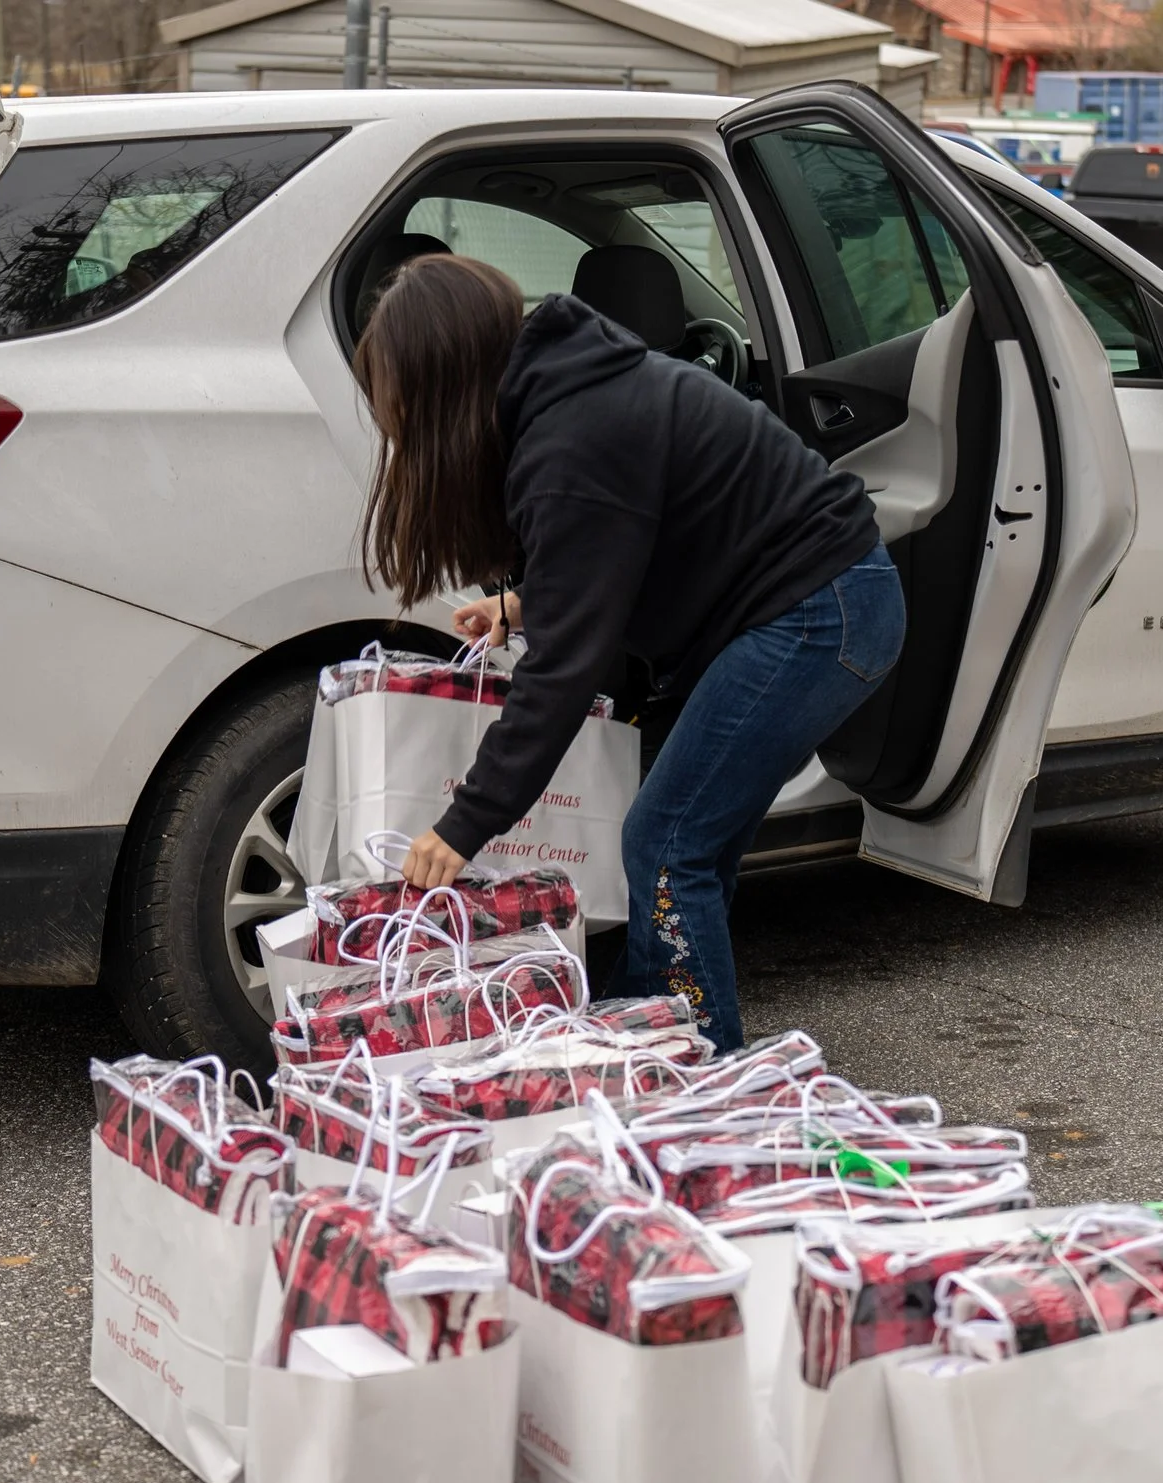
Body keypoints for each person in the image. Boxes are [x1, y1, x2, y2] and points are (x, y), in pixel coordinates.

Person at [352, 254, 903, 1048]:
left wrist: (463, 825)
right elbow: (614, 547)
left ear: (444, 380)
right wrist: (526, 601)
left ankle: (703, 1063)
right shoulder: (562, 399)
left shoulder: (571, 436)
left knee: (667, 843)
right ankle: (652, 1029)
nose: (398, 426)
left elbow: (563, 673)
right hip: (816, 602)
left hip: (821, 612)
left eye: (401, 405)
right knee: (689, 847)